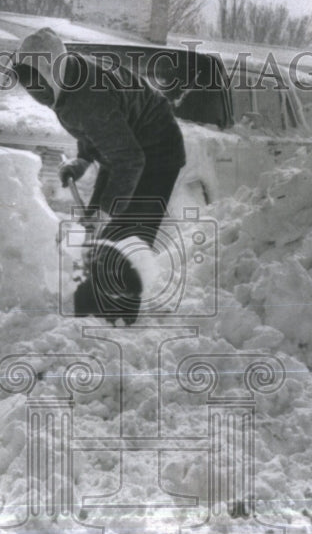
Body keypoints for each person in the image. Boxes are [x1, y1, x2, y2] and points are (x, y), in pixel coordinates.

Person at [11, 27, 187, 323]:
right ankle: (91, 310)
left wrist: (106, 211)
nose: (35, 94)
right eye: (30, 86)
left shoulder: (86, 96)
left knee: (121, 237)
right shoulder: (68, 79)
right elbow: (96, 128)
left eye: (38, 84)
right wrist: (83, 160)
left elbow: (129, 157)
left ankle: (116, 322)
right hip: (125, 151)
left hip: (157, 153)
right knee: (92, 233)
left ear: (52, 72)